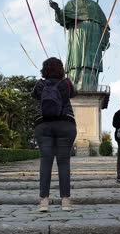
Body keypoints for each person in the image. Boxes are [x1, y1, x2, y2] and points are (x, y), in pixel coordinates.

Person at [31, 57, 77, 212]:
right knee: (64, 162)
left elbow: (35, 96)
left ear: (44, 69)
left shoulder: (40, 84)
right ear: (61, 69)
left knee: (46, 161)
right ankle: (65, 201)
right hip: (66, 123)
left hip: (43, 124)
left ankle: (44, 201)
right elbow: (74, 94)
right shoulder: (67, 83)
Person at [49, 0, 110, 90]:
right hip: (77, 34)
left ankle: (90, 85)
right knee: (77, 59)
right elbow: (62, 19)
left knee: (91, 60)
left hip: (94, 35)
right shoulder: (71, 4)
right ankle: (75, 85)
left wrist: (105, 39)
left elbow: (103, 25)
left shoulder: (94, 5)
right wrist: (57, 9)